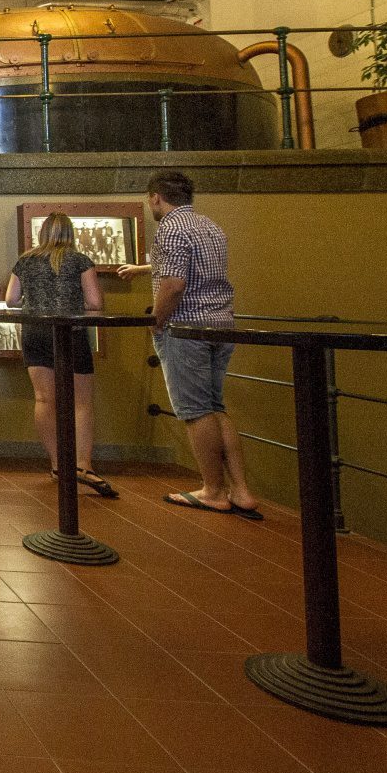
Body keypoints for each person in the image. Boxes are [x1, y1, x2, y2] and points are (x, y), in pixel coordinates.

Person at [119, 170, 261, 519]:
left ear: (155, 197)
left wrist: (156, 321)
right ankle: (241, 490)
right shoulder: (209, 226)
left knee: (195, 411)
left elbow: (174, 284)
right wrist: (142, 268)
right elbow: (188, 266)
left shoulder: (169, 228)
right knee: (214, 406)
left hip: (187, 329)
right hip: (221, 325)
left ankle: (213, 490)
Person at [4, 213, 116, 498]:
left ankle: (57, 465)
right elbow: (95, 302)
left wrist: (36, 301)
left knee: (44, 399)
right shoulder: (79, 260)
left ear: (42, 233)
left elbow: (10, 300)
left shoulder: (25, 261)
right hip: (70, 333)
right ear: (70, 233)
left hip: (35, 332)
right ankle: (82, 466)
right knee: (81, 403)